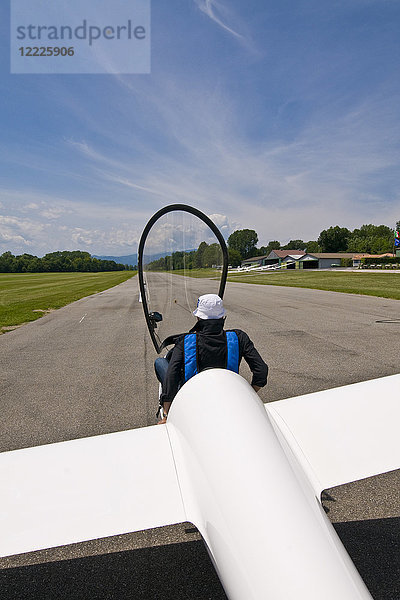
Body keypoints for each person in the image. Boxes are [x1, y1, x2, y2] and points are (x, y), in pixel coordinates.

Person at [155, 294, 268, 423]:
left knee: (160, 362)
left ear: (198, 318)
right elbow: (261, 370)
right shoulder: (239, 337)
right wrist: (249, 395)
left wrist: (167, 413)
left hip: (192, 397)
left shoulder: (185, 341)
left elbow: (172, 375)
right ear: (222, 317)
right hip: (227, 394)